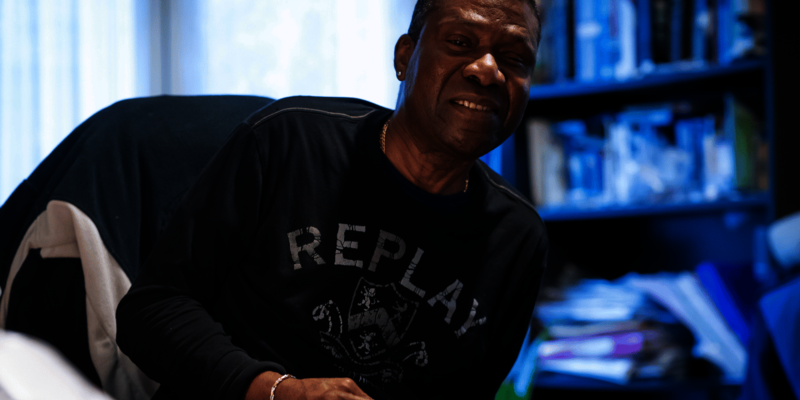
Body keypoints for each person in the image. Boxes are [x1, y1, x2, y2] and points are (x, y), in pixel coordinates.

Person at [115, 0, 547, 399]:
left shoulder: (517, 238)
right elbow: (150, 312)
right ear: (405, 57)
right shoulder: (288, 142)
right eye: (459, 42)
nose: (488, 70)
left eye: (515, 58)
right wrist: (277, 391)